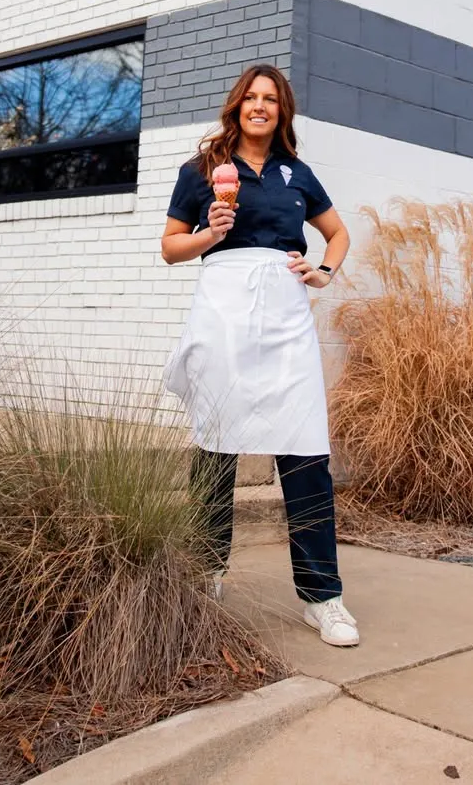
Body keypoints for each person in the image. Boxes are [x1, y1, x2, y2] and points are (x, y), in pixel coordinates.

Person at [160, 63, 358, 647]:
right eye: (252, 97)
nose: (261, 106)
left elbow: (338, 233)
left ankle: (323, 597)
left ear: (282, 111)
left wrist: (322, 272)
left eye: (271, 99)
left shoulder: (298, 173)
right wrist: (210, 233)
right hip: (223, 308)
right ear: (236, 105)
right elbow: (171, 248)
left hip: (285, 313)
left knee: (303, 445)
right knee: (217, 441)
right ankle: (205, 571)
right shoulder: (202, 171)